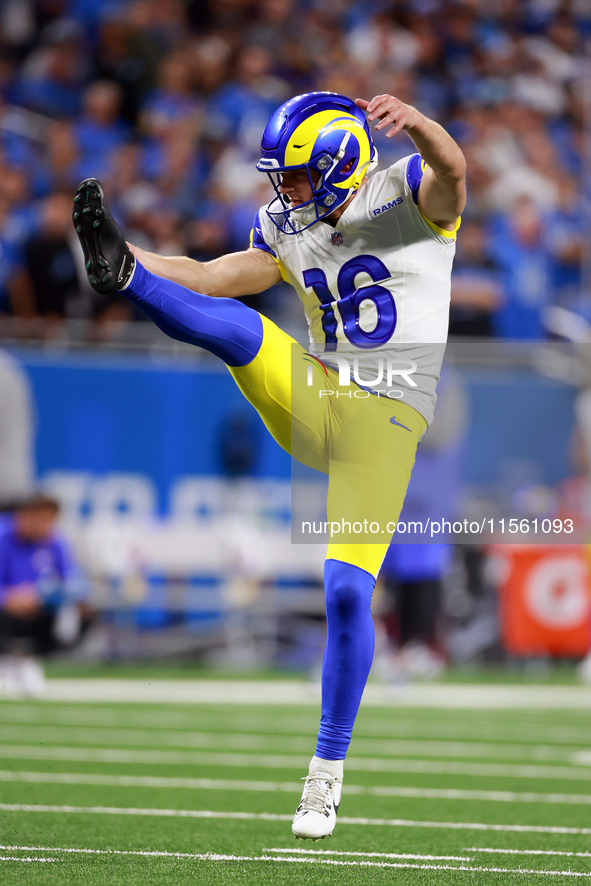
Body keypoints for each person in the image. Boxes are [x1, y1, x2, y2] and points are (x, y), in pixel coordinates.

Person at [73, 90, 466, 840]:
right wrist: (128, 253)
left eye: (293, 178)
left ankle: (324, 777)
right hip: (319, 399)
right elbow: (214, 275)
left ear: (339, 167)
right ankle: (124, 280)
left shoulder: (408, 198)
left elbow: (453, 167)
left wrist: (417, 120)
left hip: (387, 420)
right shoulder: (289, 226)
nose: (282, 193)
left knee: (347, 595)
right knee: (242, 331)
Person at [0, 493, 90, 696]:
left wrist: (47, 595)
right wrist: (8, 598)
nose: (43, 524)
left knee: (82, 616)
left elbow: (76, 582)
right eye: (38, 517)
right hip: (5, 611)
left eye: (48, 519)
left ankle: (24, 661)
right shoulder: (2, 537)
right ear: (22, 515)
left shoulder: (55, 542)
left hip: (36, 610)